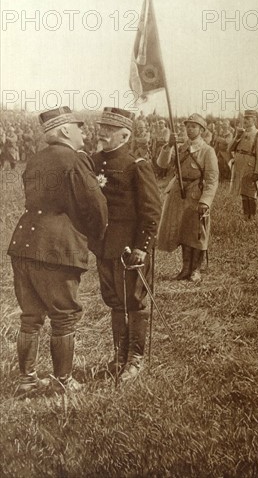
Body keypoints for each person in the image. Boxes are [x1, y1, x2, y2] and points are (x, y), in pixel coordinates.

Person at [7, 106, 108, 394]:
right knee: (64, 316)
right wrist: (95, 236)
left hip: (24, 243)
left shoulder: (35, 159)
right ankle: (63, 380)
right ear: (65, 130)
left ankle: (27, 380)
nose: (84, 132)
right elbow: (96, 206)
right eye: (79, 127)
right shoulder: (74, 160)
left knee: (31, 315)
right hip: (57, 247)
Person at [91, 107, 161, 380]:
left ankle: (135, 359)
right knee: (114, 302)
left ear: (125, 135)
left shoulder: (137, 165)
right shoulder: (93, 161)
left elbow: (151, 211)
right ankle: (119, 356)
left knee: (135, 301)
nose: (102, 133)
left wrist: (142, 246)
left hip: (130, 248)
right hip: (104, 246)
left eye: (109, 130)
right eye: (102, 128)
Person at [157, 113, 219, 282]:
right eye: (188, 126)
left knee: (197, 232)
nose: (190, 129)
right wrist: (168, 146)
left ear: (201, 130)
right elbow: (162, 164)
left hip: (195, 193)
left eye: (194, 126)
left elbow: (212, 179)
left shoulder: (207, 151)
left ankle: (196, 269)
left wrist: (205, 201)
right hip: (178, 193)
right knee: (183, 231)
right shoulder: (181, 148)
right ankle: (185, 268)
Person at [230, 110, 258, 219]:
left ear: (254, 120)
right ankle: (246, 215)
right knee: (243, 191)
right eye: (244, 118)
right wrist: (237, 137)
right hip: (240, 166)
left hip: (251, 165)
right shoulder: (241, 133)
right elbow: (230, 148)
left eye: (248, 118)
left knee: (251, 192)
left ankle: (253, 216)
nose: (245, 120)